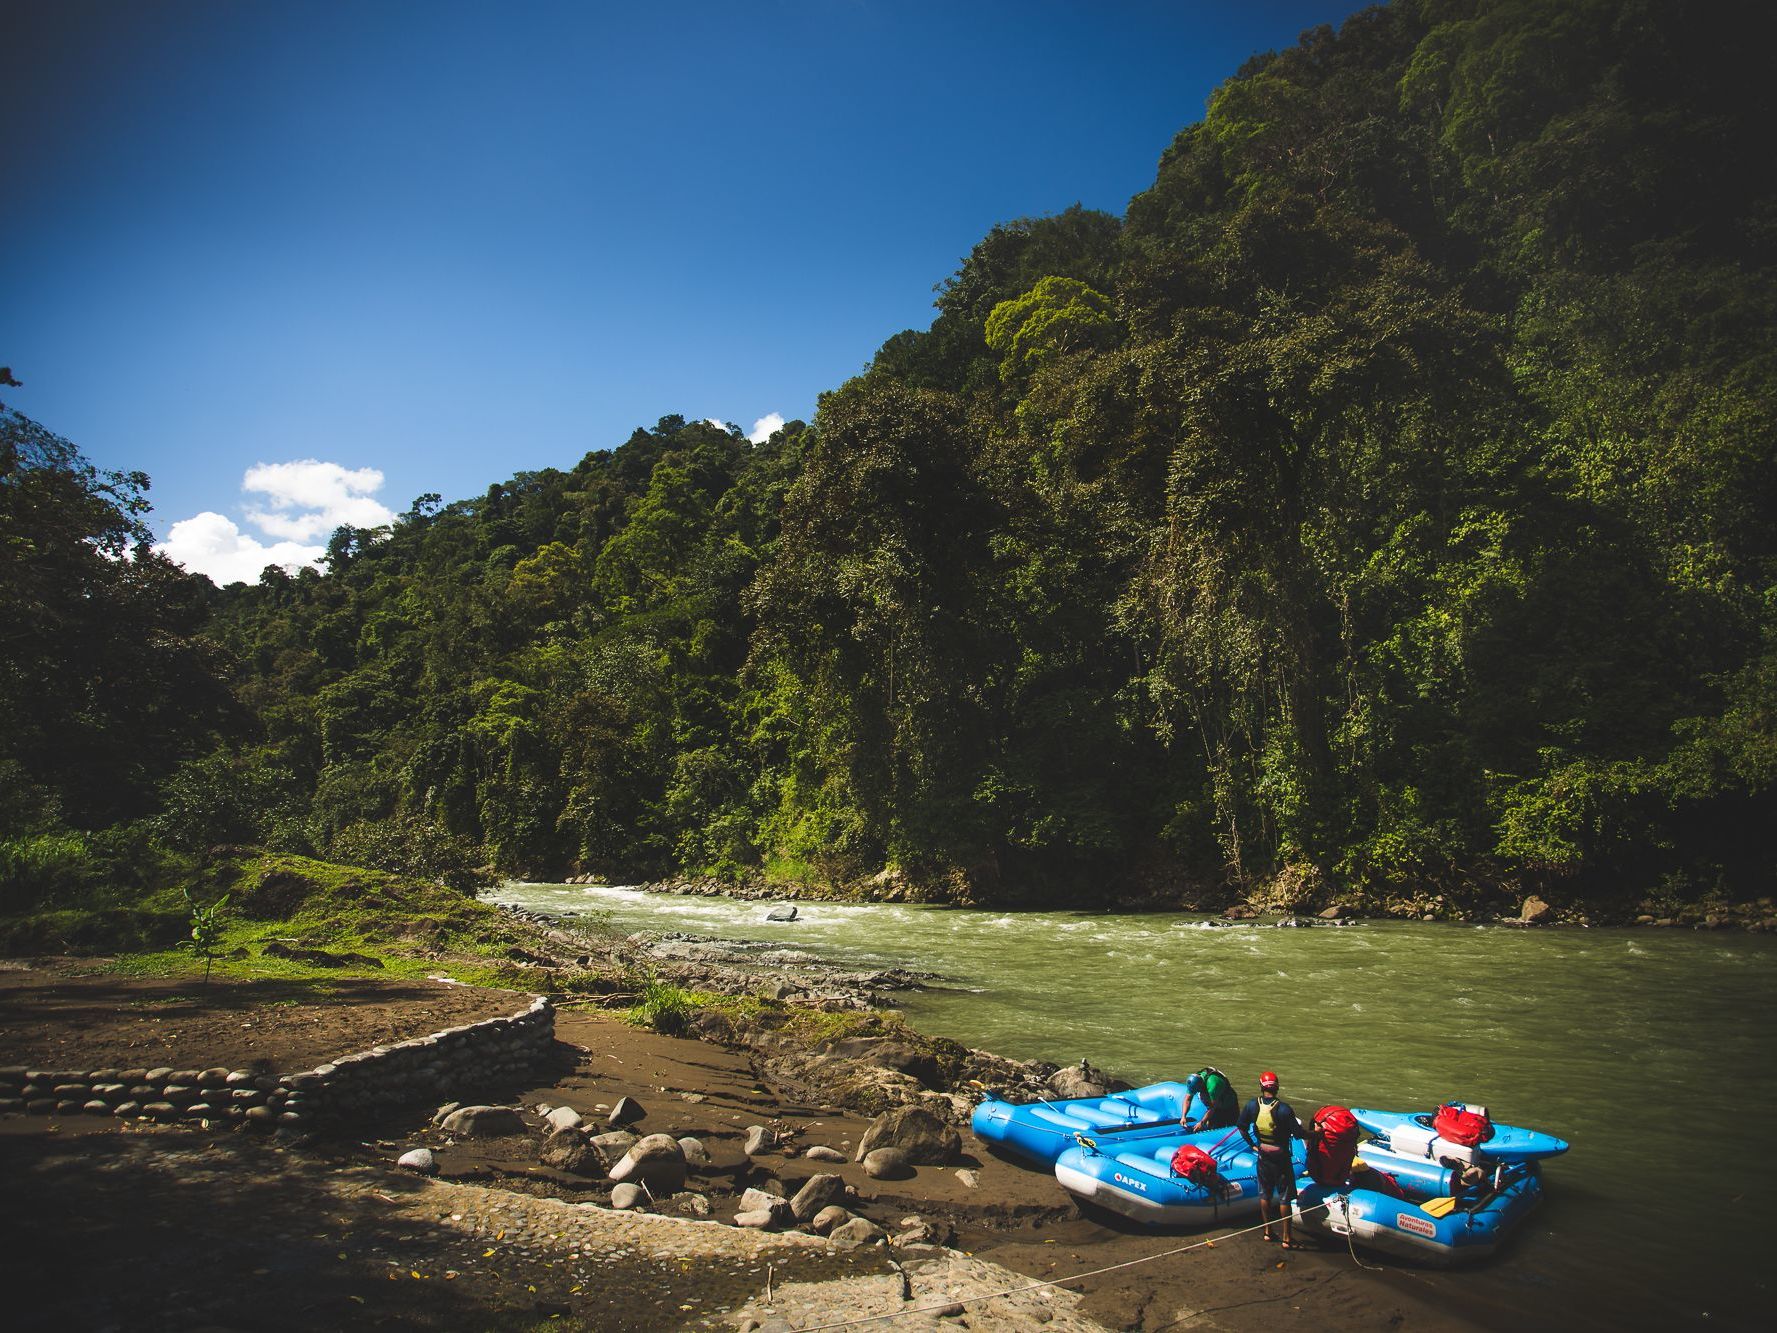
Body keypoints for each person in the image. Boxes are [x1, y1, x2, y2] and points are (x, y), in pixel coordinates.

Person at [1239, 1070, 1306, 1248]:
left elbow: (1242, 1127)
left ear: (1261, 1086)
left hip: (1263, 1155)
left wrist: (1252, 1145)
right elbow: (1299, 1134)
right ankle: (1287, 1238)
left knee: (1265, 1194)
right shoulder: (1284, 1109)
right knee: (1285, 1197)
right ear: (1277, 1087)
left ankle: (1268, 1232)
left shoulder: (1252, 1105)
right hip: (1281, 1157)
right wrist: (1317, 1134)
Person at [1179, 1066, 1239, 1132]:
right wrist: (1183, 1116)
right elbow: (1188, 1099)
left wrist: (1202, 1122)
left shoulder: (1213, 1085)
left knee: (1232, 1127)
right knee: (1213, 1127)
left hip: (1228, 1102)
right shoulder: (1193, 1082)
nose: (1198, 1092)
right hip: (1214, 1102)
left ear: (1201, 1085)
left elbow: (1212, 1107)